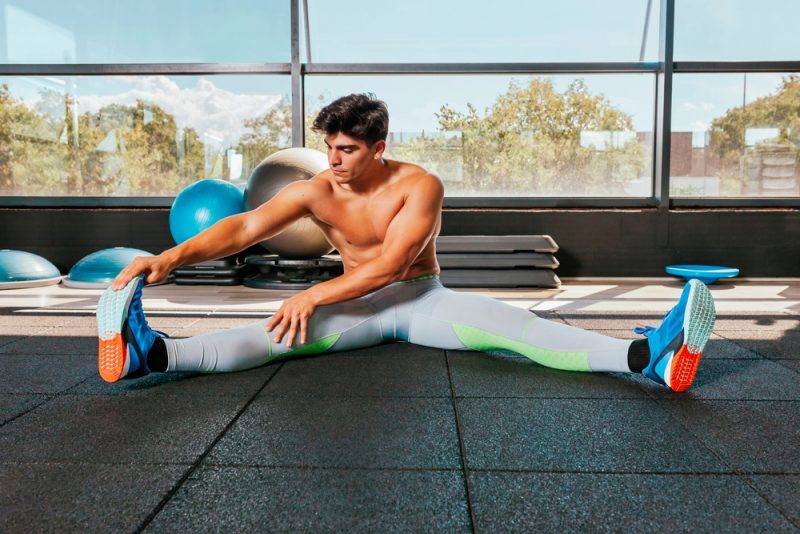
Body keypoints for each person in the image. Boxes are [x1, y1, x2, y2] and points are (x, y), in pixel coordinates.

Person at [96, 93, 716, 392]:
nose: (333, 160)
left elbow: (393, 265)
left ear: (379, 147)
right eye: (329, 147)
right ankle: (152, 357)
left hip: (424, 301)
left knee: (524, 333)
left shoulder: (420, 186)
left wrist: (314, 296)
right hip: (358, 309)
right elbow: (243, 227)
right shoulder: (317, 188)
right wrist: (169, 257)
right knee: (266, 340)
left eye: (347, 150)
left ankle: (648, 359)